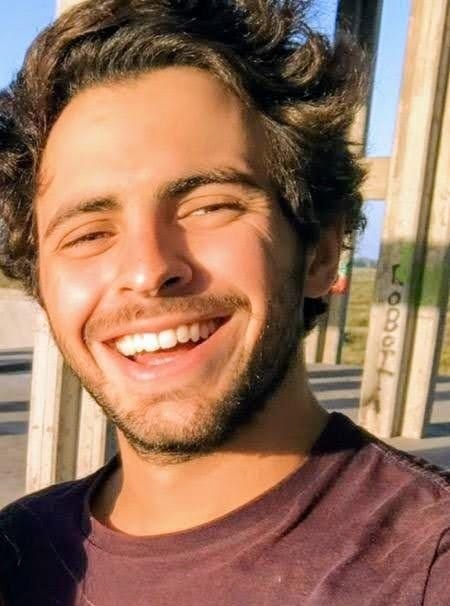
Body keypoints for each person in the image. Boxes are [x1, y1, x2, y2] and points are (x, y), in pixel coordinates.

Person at [0, 1, 449, 604]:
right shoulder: (19, 551)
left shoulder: (424, 567)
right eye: (88, 234)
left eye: (210, 206)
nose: (148, 270)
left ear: (320, 251)